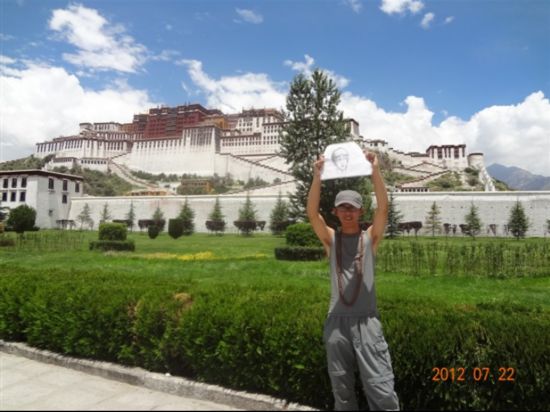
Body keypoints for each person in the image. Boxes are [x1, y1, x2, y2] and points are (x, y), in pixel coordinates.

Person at [307, 150, 399, 411]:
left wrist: (375, 171)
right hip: (336, 323)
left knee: (381, 387)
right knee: (342, 391)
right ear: (335, 211)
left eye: (353, 208)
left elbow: (384, 208)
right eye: (343, 208)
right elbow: (312, 214)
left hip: (367, 322)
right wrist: (317, 176)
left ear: (361, 211)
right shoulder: (331, 240)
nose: (348, 213)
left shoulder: (370, 239)